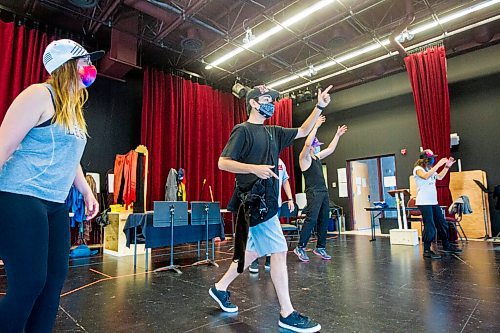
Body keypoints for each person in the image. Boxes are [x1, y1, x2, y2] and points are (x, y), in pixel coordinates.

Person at [209, 84, 333, 332]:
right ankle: (287, 313)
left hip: (269, 202)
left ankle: (219, 288)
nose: (271, 103)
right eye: (266, 99)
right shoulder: (242, 131)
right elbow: (223, 163)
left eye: (272, 100)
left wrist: (319, 105)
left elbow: (303, 130)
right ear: (254, 103)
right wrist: (254, 168)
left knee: (253, 253)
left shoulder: (274, 132)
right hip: (253, 203)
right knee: (278, 250)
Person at [0, 39, 102, 332]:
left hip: (56, 203)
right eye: (84, 62)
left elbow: (71, 158)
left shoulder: (73, 111)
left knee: (53, 284)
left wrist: (85, 190)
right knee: (29, 282)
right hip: (20, 196)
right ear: (65, 66)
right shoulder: (39, 95)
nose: (90, 68)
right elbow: (3, 147)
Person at [294, 116, 347, 262]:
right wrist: (316, 126)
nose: (318, 147)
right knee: (311, 219)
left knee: (324, 219)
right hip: (314, 193)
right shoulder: (304, 159)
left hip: (323, 192)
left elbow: (330, 149)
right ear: (311, 146)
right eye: (316, 145)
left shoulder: (317, 157)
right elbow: (306, 143)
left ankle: (320, 247)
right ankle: (300, 247)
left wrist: (337, 135)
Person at [413, 149, 462, 259]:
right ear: (425, 159)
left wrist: (446, 167)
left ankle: (446, 245)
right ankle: (426, 250)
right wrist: (439, 164)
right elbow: (425, 176)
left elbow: (439, 177)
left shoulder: (430, 169)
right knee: (430, 226)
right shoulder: (418, 169)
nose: (433, 160)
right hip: (424, 202)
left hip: (433, 201)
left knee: (442, 223)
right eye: (431, 158)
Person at [249, 158, 295, 273]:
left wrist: (290, 198)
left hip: (275, 205)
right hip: (259, 204)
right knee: (255, 232)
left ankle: (269, 259)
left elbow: (285, 180)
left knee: (272, 233)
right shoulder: (261, 157)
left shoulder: (281, 162)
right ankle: (253, 260)